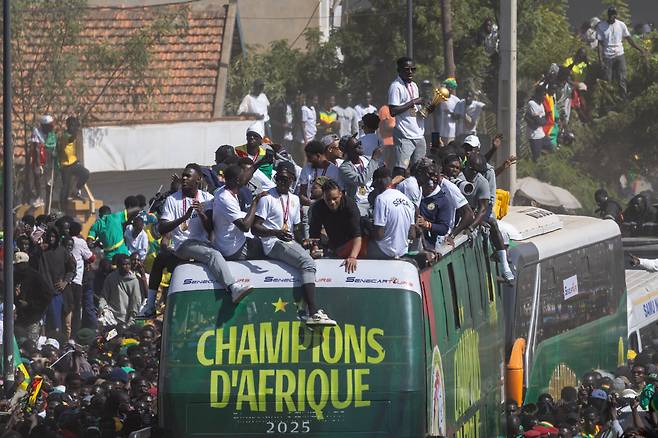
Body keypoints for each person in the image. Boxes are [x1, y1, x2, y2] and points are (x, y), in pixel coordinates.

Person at [155, 163, 253, 308]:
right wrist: (184, 218)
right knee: (213, 254)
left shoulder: (207, 197)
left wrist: (202, 214)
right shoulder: (172, 199)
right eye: (183, 175)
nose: (184, 178)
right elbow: (162, 228)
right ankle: (233, 288)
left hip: (203, 243)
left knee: (219, 252)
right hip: (183, 244)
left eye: (188, 176)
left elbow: (210, 228)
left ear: (198, 179)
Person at [252, 161, 336, 326]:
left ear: (292, 180)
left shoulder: (295, 199)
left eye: (286, 179)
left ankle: (306, 310)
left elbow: (295, 229)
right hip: (272, 243)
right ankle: (313, 311)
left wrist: (304, 241)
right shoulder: (267, 197)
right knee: (306, 262)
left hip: (287, 241)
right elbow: (255, 228)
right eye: (279, 178)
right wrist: (276, 232)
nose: (281, 182)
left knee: (313, 257)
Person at [211, 164, 269, 261]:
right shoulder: (226, 199)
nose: (247, 178)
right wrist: (255, 202)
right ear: (237, 180)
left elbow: (248, 174)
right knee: (266, 247)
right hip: (232, 249)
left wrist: (262, 162)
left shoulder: (225, 189)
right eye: (243, 176)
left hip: (226, 242)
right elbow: (245, 227)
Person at [309, 179, 363, 273]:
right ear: (323, 197)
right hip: (335, 244)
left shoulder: (350, 205)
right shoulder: (318, 207)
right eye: (328, 199)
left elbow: (357, 236)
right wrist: (315, 249)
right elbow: (314, 235)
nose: (332, 202)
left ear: (341, 194)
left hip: (353, 243)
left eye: (335, 198)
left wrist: (352, 257)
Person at [387, 57, 426, 177]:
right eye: (406, 69)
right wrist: (414, 101)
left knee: (420, 169)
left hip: (419, 134)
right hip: (404, 136)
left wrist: (426, 109)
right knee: (400, 169)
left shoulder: (414, 85)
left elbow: (414, 110)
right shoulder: (396, 86)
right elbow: (393, 111)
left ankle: (417, 194)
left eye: (413, 69)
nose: (410, 72)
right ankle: (395, 193)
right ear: (399, 70)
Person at [596, 7, 645, 97]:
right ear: (608, 15)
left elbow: (629, 39)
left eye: (614, 15)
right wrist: (601, 60)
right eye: (611, 15)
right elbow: (599, 44)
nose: (613, 17)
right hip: (608, 56)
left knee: (622, 78)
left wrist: (640, 49)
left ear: (616, 15)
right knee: (607, 79)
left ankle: (623, 98)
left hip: (619, 54)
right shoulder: (601, 26)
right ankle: (607, 100)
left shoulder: (621, 25)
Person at [368, 167, 415, 259]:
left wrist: (368, 227)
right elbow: (412, 234)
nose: (375, 190)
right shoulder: (406, 199)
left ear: (379, 182)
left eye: (375, 186)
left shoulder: (381, 199)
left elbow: (379, 235)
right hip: (402, 251)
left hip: (384, 251)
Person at [338, 135, 382, 216]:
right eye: (356, 146)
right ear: (348, 151)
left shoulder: (367, 159)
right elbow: (361, 181)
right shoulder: (344, 168)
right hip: (359, 204)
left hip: (375, 200)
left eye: (360, 143)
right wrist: (374, 159)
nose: (360, 146)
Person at [14, 251, 53, 342]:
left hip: (33, 318)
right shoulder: (14, 276)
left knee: (31, 344)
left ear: (25, 264)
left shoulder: (36, 277)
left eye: (18, 265)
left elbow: (47, 296)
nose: (16, 267)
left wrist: (29, 304)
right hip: (18, 319)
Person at [99, 254, 143, 325]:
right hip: (111, 313)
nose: (127, 266)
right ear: (118, 265)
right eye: (124, 264)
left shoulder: (134, 281)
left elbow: (136, 301)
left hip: (125, 316)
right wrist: (101, 306)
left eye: (128, 264)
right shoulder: (111, 278)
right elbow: (104, 295)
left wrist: (131, 319)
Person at [57, 116, 90, 208]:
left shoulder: (73, 134)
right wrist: (76, 130)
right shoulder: (66, 136)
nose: (74, 128)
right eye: (73, 126)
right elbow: (71, 139)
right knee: (65, 186)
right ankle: (63, 206)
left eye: (75, 126)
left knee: (85, 173)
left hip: (74, 163)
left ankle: (76, 191)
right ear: (68, 126)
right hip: (65, 165)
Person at [69, 221, 94, 338]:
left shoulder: (65, 241)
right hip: (77, 280)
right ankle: (75, 335)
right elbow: (91, 257)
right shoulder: (80, 242)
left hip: (66, 281)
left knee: (68, 308)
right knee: (77, 308)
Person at [298, 140, 341, 208]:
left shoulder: (334, 171)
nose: (308, 160)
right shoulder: (306, 169)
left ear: (318, 156)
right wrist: (313, 204)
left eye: (310, 157)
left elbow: (338, 194)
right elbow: (302, 194)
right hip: (310, 207)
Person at [29, 114, 56, 206]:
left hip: (49, 158)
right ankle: (39, 197)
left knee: (49, 182)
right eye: (50, 125)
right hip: (39, 157)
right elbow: (36, 149)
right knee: (37, 174)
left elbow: (54, 146)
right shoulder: (36, 132)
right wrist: (39, 164)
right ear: (44, 125)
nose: (52, 127)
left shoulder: (52, 133)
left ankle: (49, 202)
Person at [525, 86, 553, 162]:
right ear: (537, 94)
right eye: (542, 94)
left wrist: (541, 121)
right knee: (536, 157)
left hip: (541, 133)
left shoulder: (541, 104)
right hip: (534, 135)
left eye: (545, 95)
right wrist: (540, 121)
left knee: (550, 148)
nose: (544, 97)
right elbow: (539, 121)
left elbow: (544, 120)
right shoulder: (532, 103)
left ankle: (544, 163)